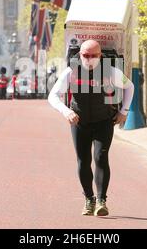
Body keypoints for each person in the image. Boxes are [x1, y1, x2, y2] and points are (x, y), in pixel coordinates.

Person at [48, 40, 135, 217]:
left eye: (93, 56)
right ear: (79, 55)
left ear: (100, 55)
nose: (89, 59)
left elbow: (130, 87)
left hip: (103, 121)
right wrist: (66, 111)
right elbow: (53, 95)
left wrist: (124, 111)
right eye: (85, 55)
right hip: (79, 122)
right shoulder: (71, 71)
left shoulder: (111, 71)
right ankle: (89, 199)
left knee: (101, 157)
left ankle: (101, 201)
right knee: (83, 160)